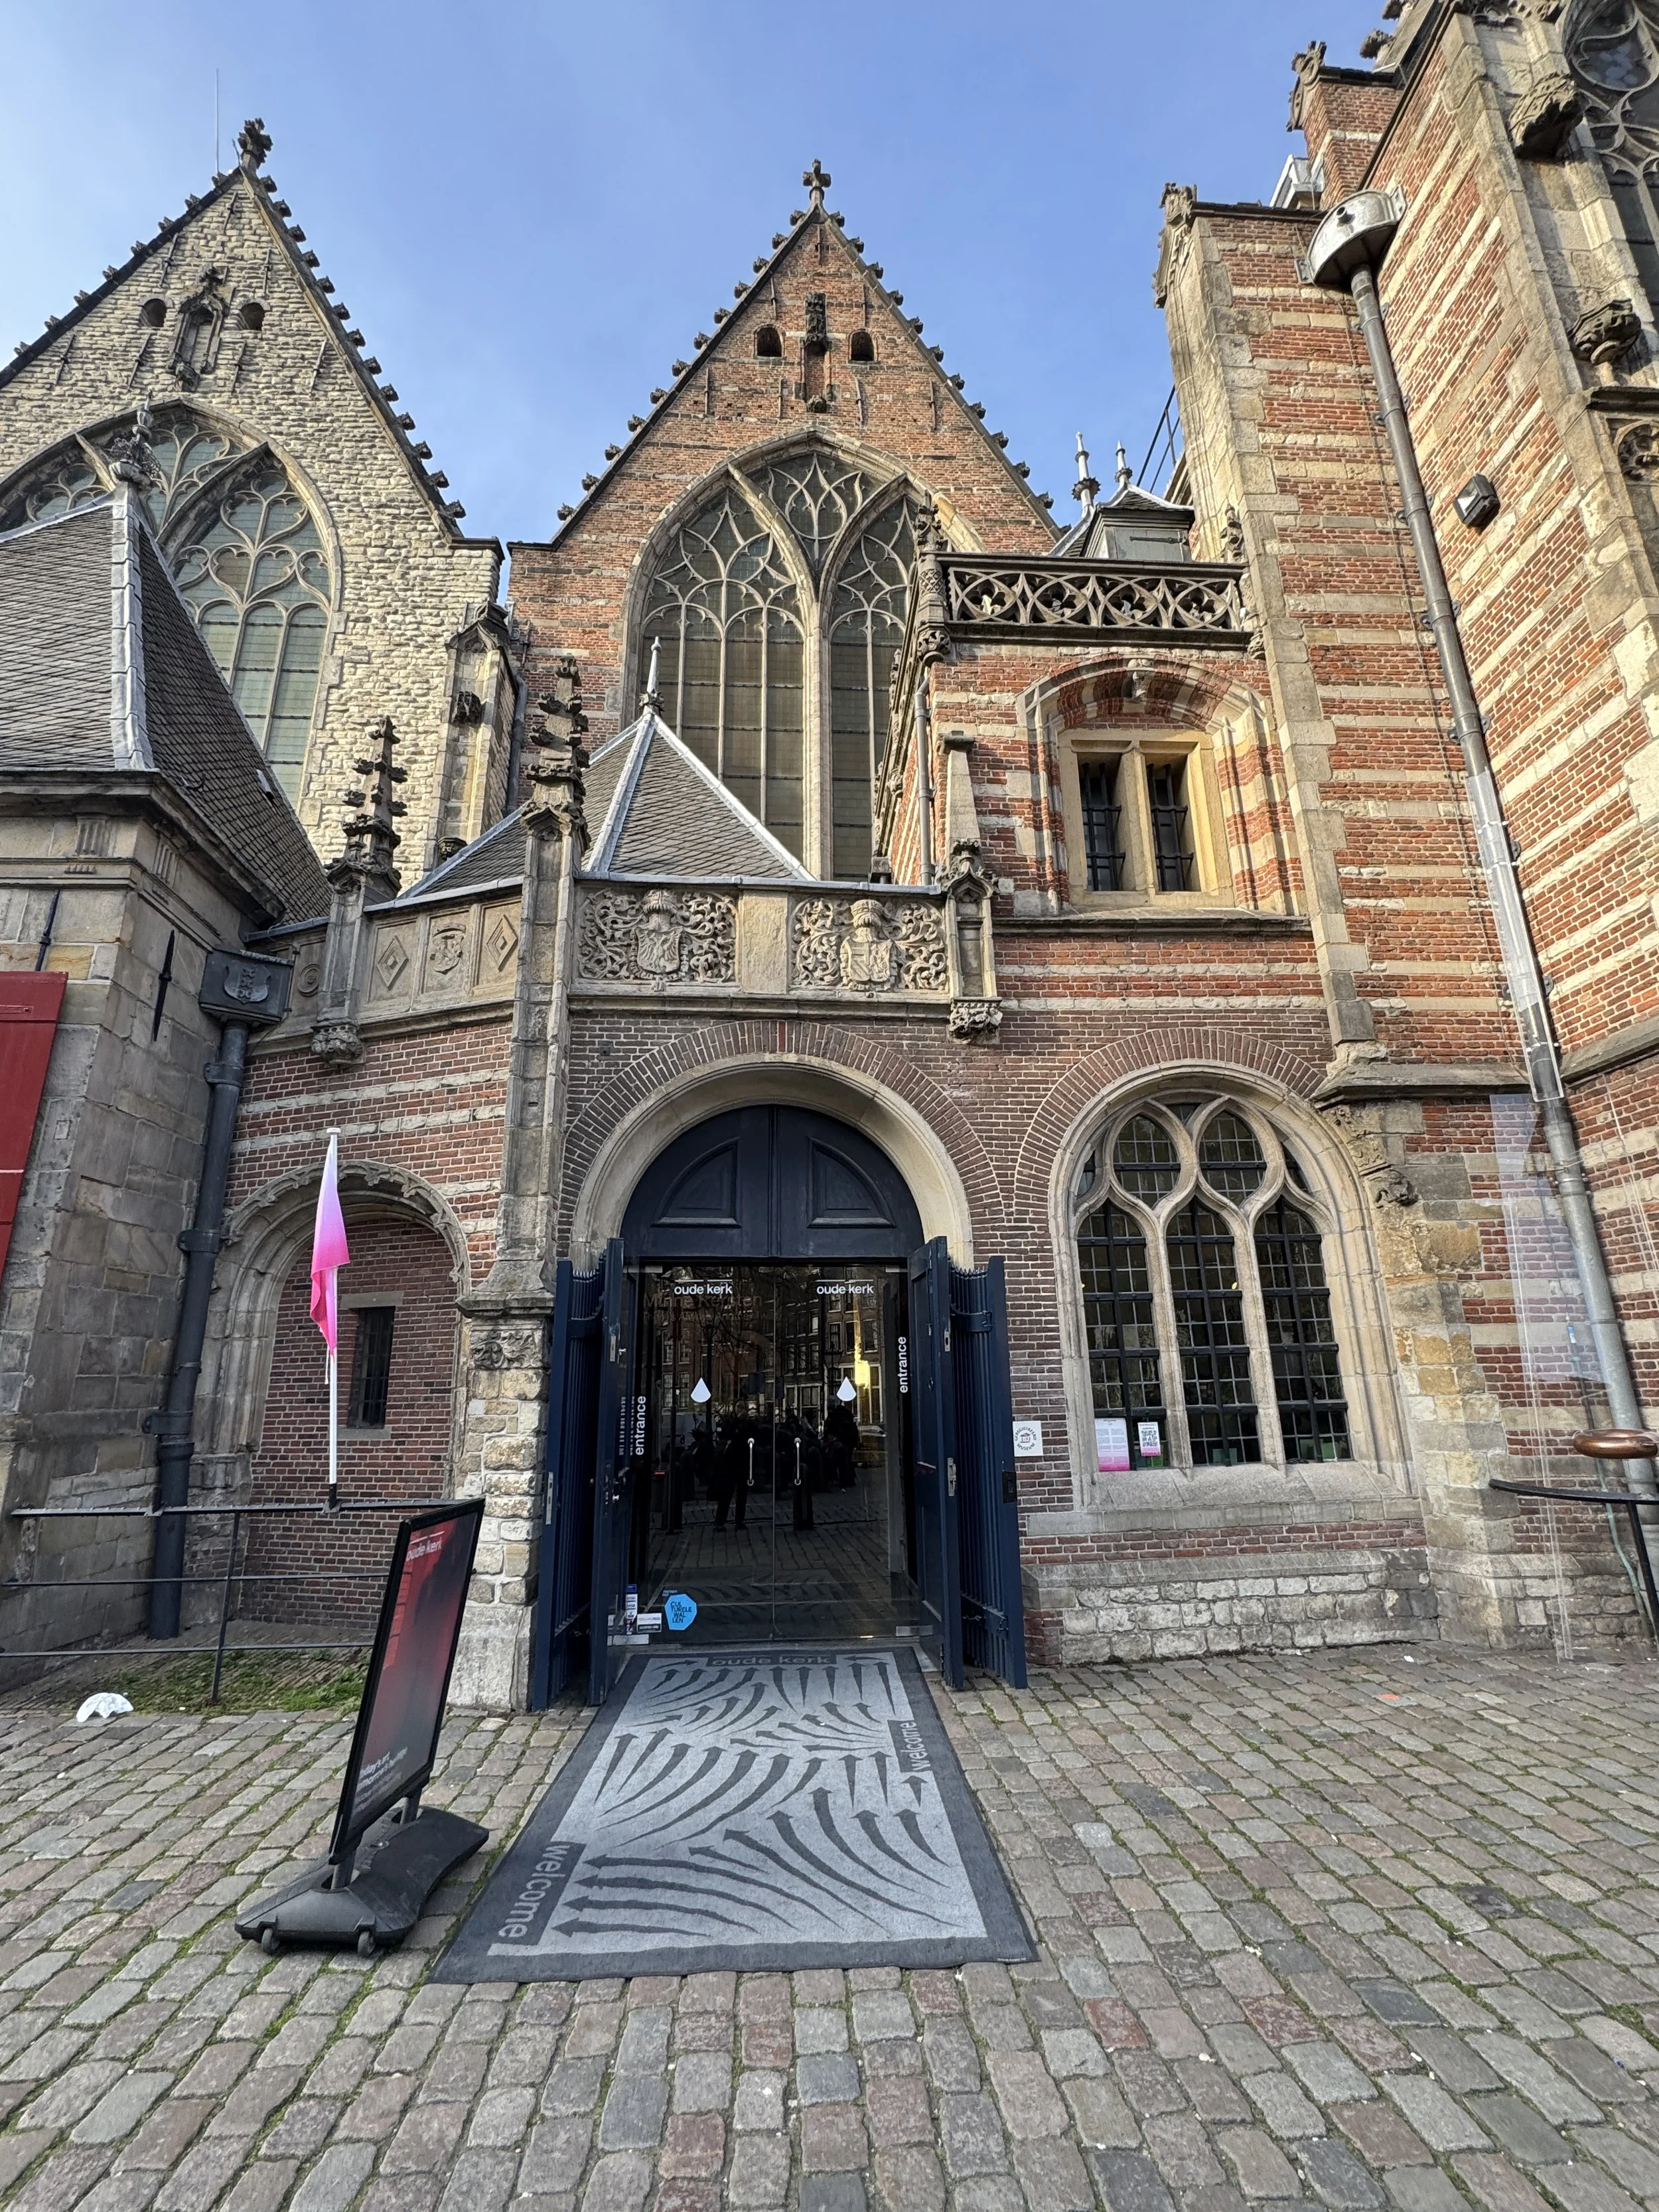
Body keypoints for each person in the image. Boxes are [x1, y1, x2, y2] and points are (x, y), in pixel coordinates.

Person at [824, 1396, 860, 1490]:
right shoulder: (844, 1414)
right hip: (848, 1441)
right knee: (846, 1460)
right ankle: (848, 1479)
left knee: (843, 1459)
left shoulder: (837, 1415)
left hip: (845, 1441)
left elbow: (836, 1429)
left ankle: (843, 1479)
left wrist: (834, 1439)